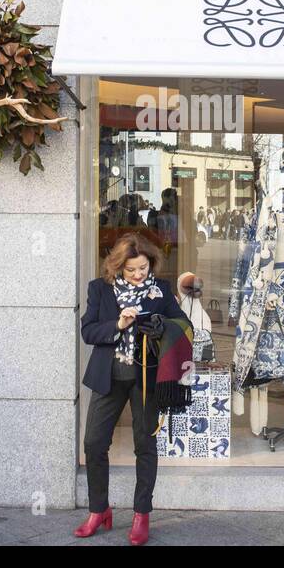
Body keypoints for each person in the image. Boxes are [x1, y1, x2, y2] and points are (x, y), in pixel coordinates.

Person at [76, 231, 188, 545]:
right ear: (117, 268)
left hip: (146, 380)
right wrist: (119, 325)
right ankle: (99, 510)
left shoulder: (161, 290)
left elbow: (183, 325)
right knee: (94, 443)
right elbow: (88, 331)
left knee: (145, 446)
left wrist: (161, 327)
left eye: (143, 269)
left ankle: (142, 514)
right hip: (108, 376)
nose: (139, 275)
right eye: (131, 270)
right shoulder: (99, 289)